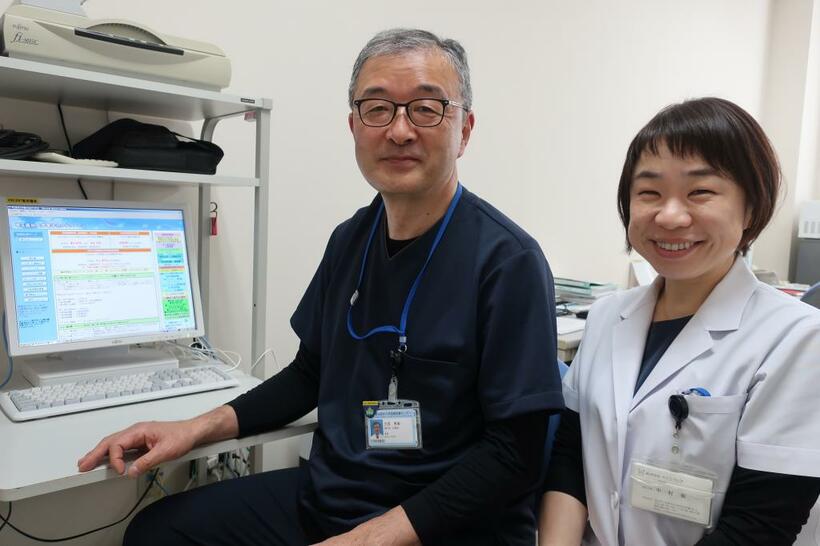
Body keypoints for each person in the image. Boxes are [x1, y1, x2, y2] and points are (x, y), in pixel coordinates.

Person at [78, 28, 563, 546]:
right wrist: (191, 428)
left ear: (464, 129)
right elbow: (310, 374)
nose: (399, 130)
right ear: (354, 126)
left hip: (446, 524)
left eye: (426, 108)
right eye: (378, 109)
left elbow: (515, 454)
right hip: (334, 497)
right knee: (159, 532)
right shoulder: (350, 239)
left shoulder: (508, 261)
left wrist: (373, 537)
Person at [538, 97, 820, 546]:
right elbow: (571, 459)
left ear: (751, 208)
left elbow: (760, 526)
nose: (669, 215)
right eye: (648, 192)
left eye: (700, 192)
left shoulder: (797, 338)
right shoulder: (608, 315)